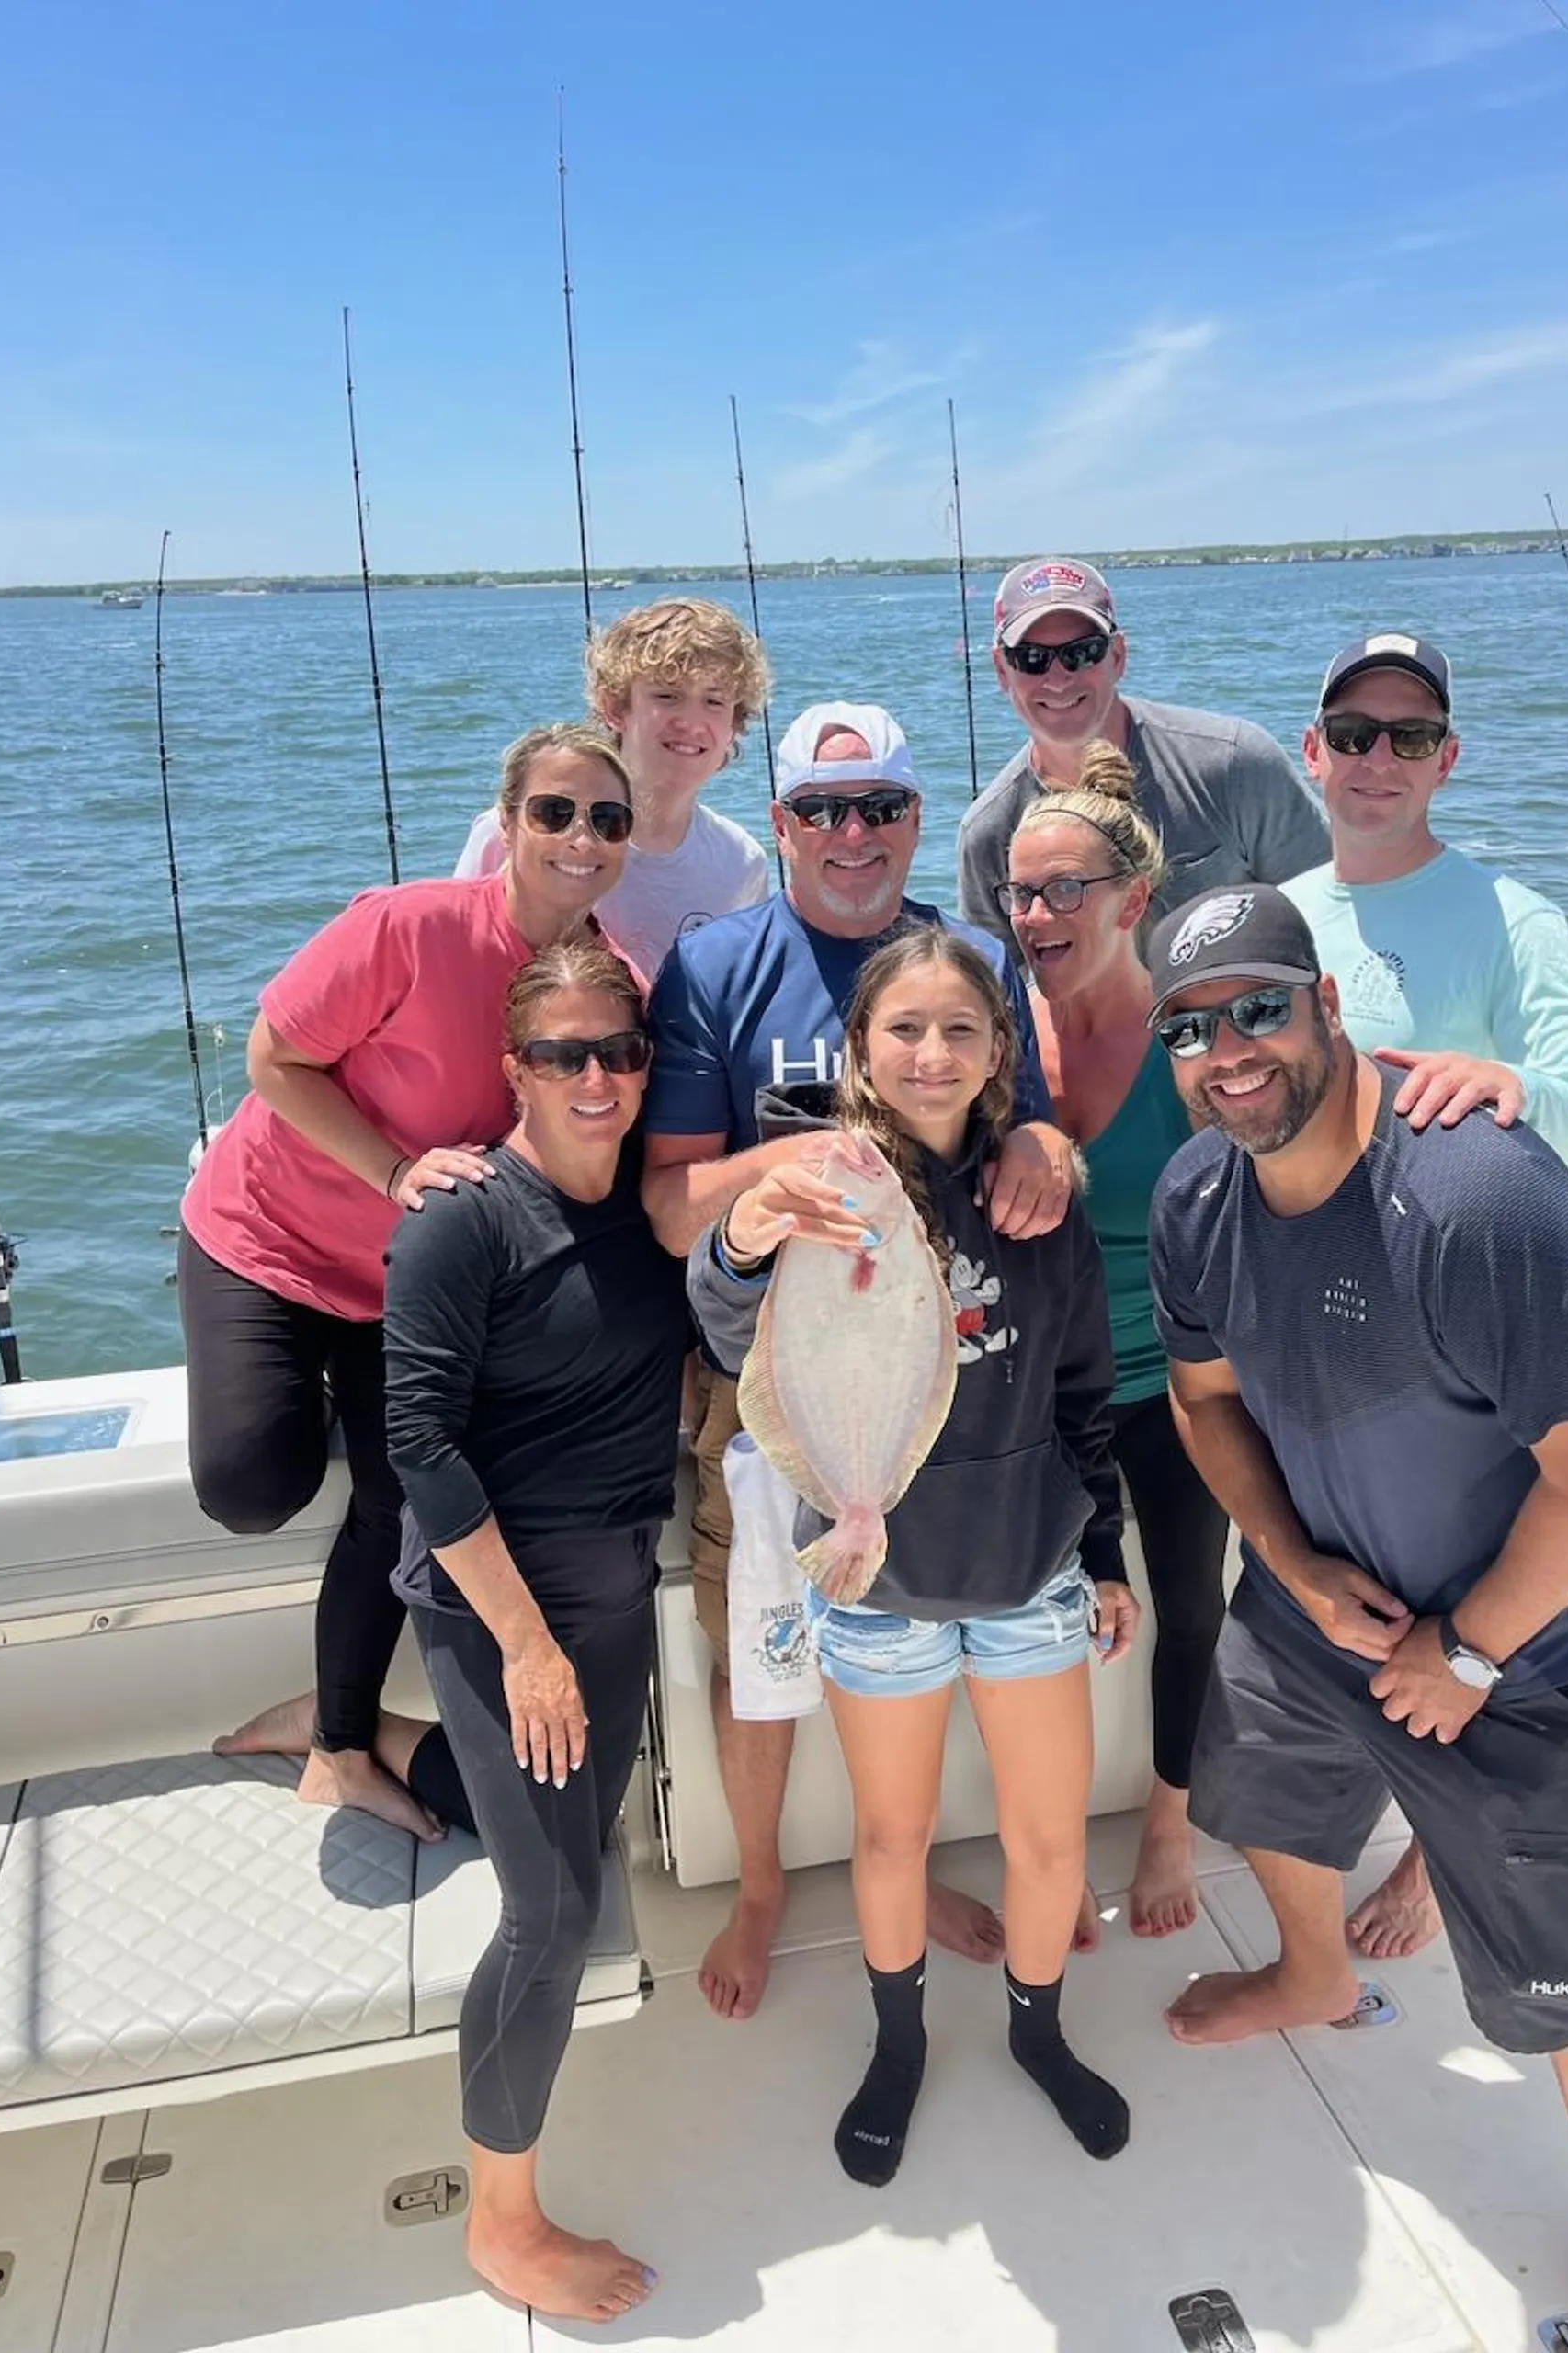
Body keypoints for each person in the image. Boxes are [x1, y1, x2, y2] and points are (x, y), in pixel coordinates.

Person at [1145, 884, 1568, 2353]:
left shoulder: (1474, 1194)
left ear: (1330, 1005)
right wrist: (1293, 1563)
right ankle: (1313, 1967)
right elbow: (1204, 1408)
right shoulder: (1198, 1195)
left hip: (1522, 1644)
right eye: (1191, 1029)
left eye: (1259, 1007)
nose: (1227, 1051)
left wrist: (1465, 1652)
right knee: (1256, 1779)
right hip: (1323, 1590)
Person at [642, 699, 1079, 2021]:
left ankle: (908, 1866)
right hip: (771, 1362)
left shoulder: (973, 962)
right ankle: (765, 1881)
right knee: (762, 1638)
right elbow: (672, 1207)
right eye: (822, 811)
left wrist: (1042, 1153)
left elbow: (1038, 1130)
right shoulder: (715, 964)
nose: (852, 835)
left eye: (880, 808)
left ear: (913, 821)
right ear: (779, 826)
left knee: (918, 1616)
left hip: (943, 1371)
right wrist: (804, 1163)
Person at [689, 926, 1139, 2188]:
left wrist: (1101, 1550)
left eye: (960, 1029)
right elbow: (734, 1331)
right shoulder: (824, 1185)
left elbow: (1083, 1390)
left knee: (1048, 1842)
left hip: (1028, 1578)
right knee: (892, 1840)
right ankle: (899, 2048)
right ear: (858, 1048)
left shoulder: (1036, 1194)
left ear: (1002, 1050)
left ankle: (1040, 2034)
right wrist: (741, 1237)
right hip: (874, 1583)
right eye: (904, 1030)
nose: (932, 1055)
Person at [1283, 631, 1568, 1961]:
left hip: (1479, 1352)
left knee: (1489, 1620)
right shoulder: (1281, 911)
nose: (1377, 757)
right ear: (1312, 750)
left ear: (1450, 758)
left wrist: (1516, 1087)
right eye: (1354, 731)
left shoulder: (1516, 919)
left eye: (1409, 734)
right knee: (1366, 1621)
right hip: (1327, 1346)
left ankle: (1446, 1872)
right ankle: (1402, 1837)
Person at [192, 722, 636, 1836]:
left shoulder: (603, 986)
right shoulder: (406, 927)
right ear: (508, 822)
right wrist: (390, 1168)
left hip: (403, 1284)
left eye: (607, 818)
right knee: (252, 1487)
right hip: (266, 1237)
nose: (580, 838)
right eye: (555, 812)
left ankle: (339, 1737)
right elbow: (272, 1060)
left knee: (400, 1489)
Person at [369, 940, 685, 2325]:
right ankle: (501, 2222)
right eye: (564, 1055)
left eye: (619, 1051)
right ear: (517, 1071)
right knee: (553, 1909)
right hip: (498, 1604)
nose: (597, 1078)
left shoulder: (652, 1214)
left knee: (578, 1837)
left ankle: (375, 1749)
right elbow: (419, 1442)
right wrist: (525, 1645)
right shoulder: (461, 1218)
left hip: (615, 1587)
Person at [1002, 742, 1229, 1938]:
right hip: (1040, 1389)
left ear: (1134, 901)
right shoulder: (989, 1035)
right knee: (1040, 1615)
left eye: (1064, 890)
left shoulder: (1197, 1042)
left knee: (1190, 1606)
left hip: (1185, 1383)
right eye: (1020, 892)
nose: (1037, 913)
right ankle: (1041, 1849)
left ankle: (1166, 1822)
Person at [956, 556, 1327, 961]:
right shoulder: (986, 835)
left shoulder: (1237, 763)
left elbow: (1329, 914)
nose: (1058, 678)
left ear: (1118, 656)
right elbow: (998, 996)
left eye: (1082, 653)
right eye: (1031, 657)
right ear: (1000, 669)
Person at [454, 597, 770, 976]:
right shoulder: (524, 829)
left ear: (734, 724)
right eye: (668, 696)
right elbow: (457, 960)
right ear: (615, 707)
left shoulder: (742, 862)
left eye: (714, 701)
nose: (691, 721)